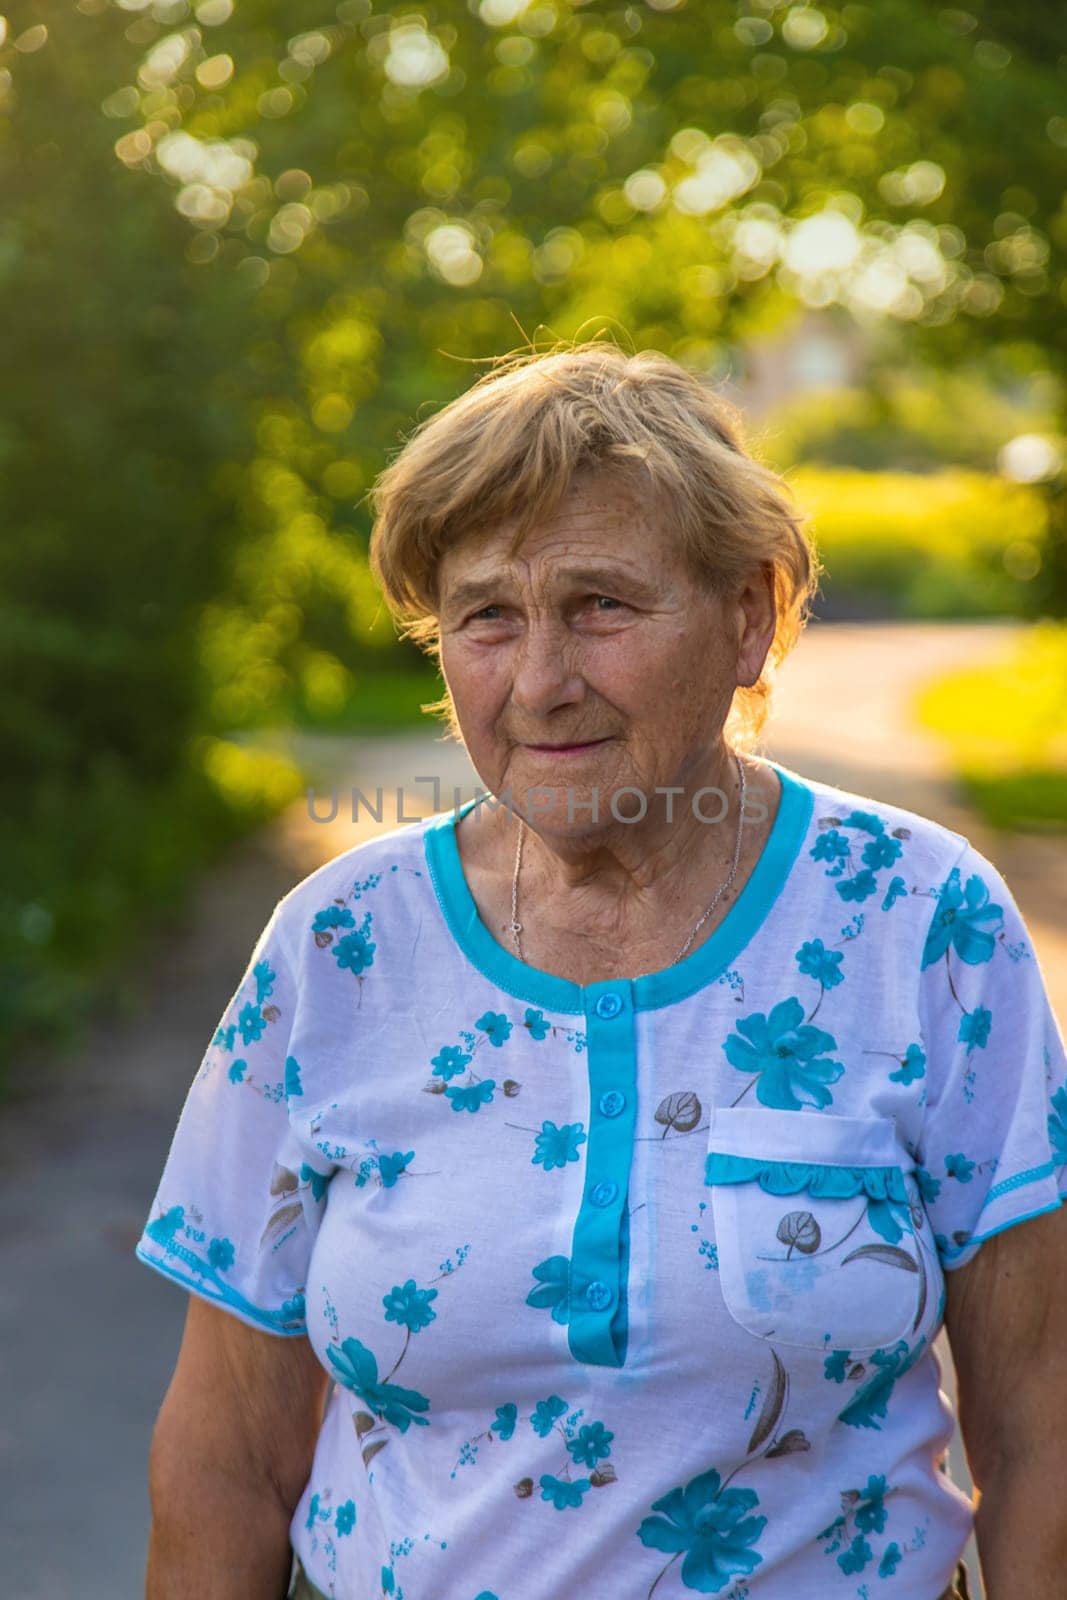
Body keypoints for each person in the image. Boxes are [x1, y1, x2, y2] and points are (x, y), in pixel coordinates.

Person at [136, 342, 1067, 1600]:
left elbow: (1038, 1424)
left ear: (748, 615)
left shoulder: (919, 918)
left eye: (600, 606)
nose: (537, 682)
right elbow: (225, 1457)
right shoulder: (339, 946)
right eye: (485, 617)